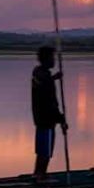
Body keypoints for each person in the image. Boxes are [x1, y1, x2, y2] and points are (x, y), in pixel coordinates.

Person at [31, 45, 67, 177]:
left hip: (41, 118)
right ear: (46, 59)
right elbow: (50, 101)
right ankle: (40, 175)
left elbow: (44, 85)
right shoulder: (42, 75)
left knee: (43, 149)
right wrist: (60, 119)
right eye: (52, 58)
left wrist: (54, 78)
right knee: (45, 151)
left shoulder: (39, 73)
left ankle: (38, 174)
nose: (54, 61)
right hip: (46, 119)